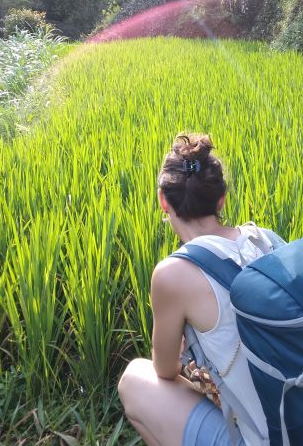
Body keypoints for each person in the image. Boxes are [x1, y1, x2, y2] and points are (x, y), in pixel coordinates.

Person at [117, 133, 277, 446]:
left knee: (134, 379)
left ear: (164, 201)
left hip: (261, 438)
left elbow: (165, 370)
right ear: (222, 199)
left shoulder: (173, 275)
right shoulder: (264, 239)